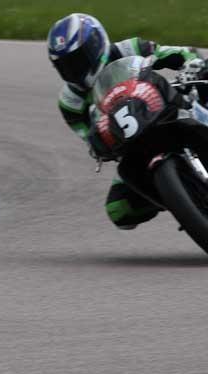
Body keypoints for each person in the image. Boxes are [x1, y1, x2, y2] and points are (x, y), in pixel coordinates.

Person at [48, 13, 206, 229]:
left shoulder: (128, 48)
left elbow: (174, 53)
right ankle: (187, 197)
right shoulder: (70, 102)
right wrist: (100, 146)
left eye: (77, 60)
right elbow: (89, 137)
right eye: (65, 66)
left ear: (96, 45)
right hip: (132, 141)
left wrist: (191, 64)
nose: (73, 69)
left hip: (167, 105)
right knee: (119, 209)